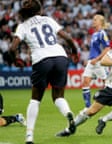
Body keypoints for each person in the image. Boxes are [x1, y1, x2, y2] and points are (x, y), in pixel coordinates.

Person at [9, 0, 79, 143]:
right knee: (58, 96)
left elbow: (12, 48)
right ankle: (68, 113)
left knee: (35, 99)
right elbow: (67, 37)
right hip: (60, 57)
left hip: (41, 59)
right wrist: (74, 52)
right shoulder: (47, 19)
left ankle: (29, 136)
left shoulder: (22, 26)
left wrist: (16, 59)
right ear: (39, 11)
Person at [80, 14, 111, 111]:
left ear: (100, 22)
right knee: (85, 82)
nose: (93, 21)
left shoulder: (102, 33)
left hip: (99, 62)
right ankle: (87, 107)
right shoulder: (94, 34)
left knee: (108, 84)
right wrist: (90, 59)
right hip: (91, 61)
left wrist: (97, 59)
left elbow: (107, 48)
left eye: (95, 20)